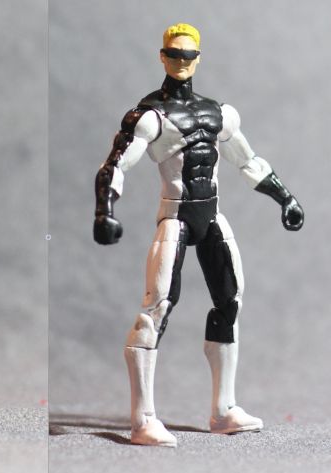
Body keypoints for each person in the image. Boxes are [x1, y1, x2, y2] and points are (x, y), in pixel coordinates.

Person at [93, 23, 303, 447]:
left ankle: (223, 410)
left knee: (230, 301)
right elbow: (115, 165)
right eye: (174, 54)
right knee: (155, 309)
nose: (181, 62)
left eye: (188, 55)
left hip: (211, 217)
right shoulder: (150, 116)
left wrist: (285, 198)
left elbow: (248, 160)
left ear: (198, 58)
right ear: (162, 57)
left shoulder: (218, 113)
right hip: (176, 217)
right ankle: (142, 419)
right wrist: (105, 211)